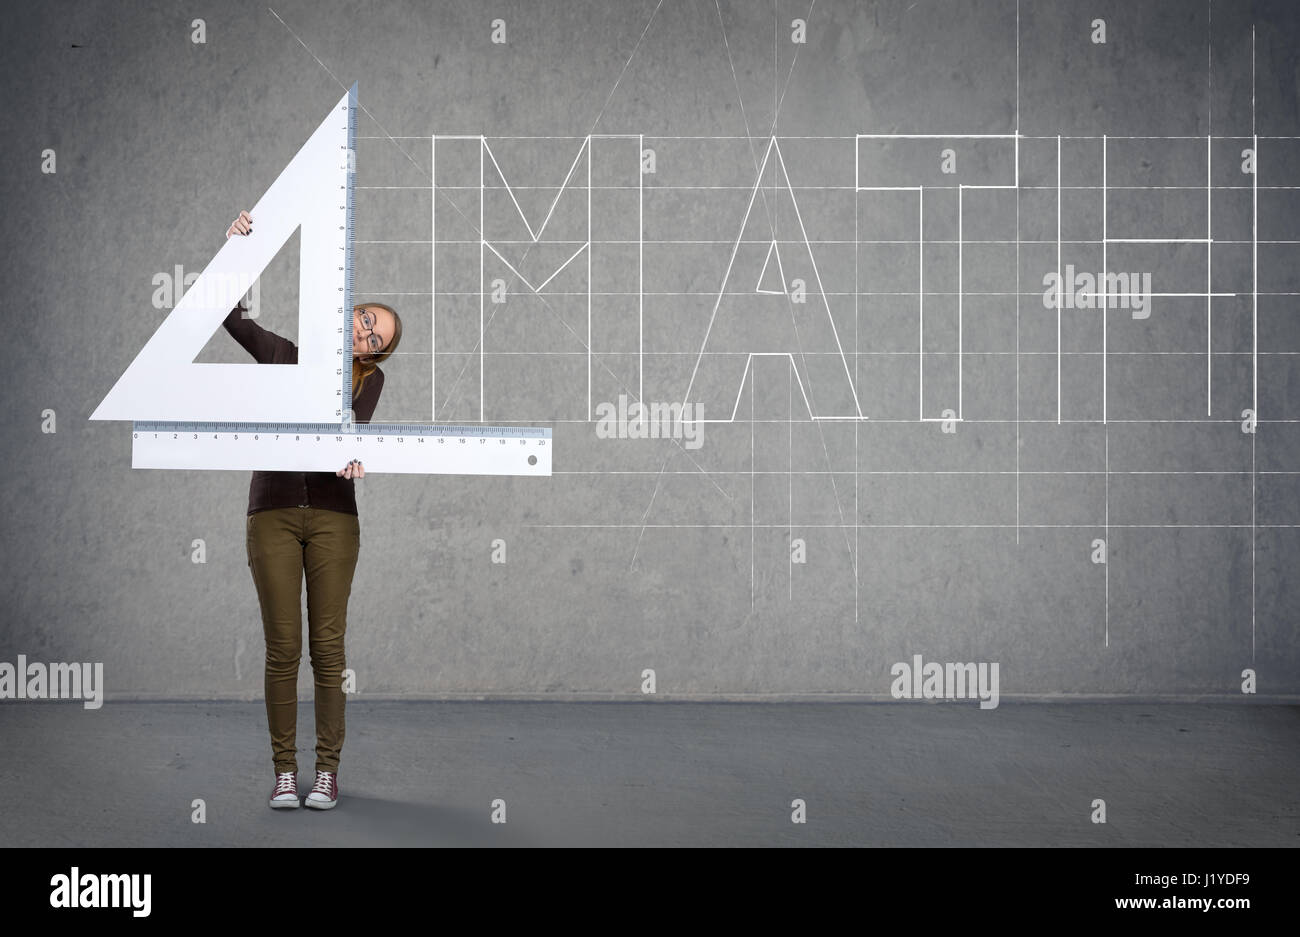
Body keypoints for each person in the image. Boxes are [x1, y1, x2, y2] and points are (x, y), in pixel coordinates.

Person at [223, 209, 402, 810]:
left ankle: (326, 773)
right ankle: (284, 773)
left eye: (377, 341)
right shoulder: (284, 354)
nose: (366, 336)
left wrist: (355, 457)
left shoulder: (367, 382)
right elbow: (228, 316)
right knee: (282, 649)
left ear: (377, 356)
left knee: (328, 650)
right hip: (271, 513)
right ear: (351, 310)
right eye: (367, 321)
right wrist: (236, 250)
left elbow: (352, 439)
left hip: (333, 520)